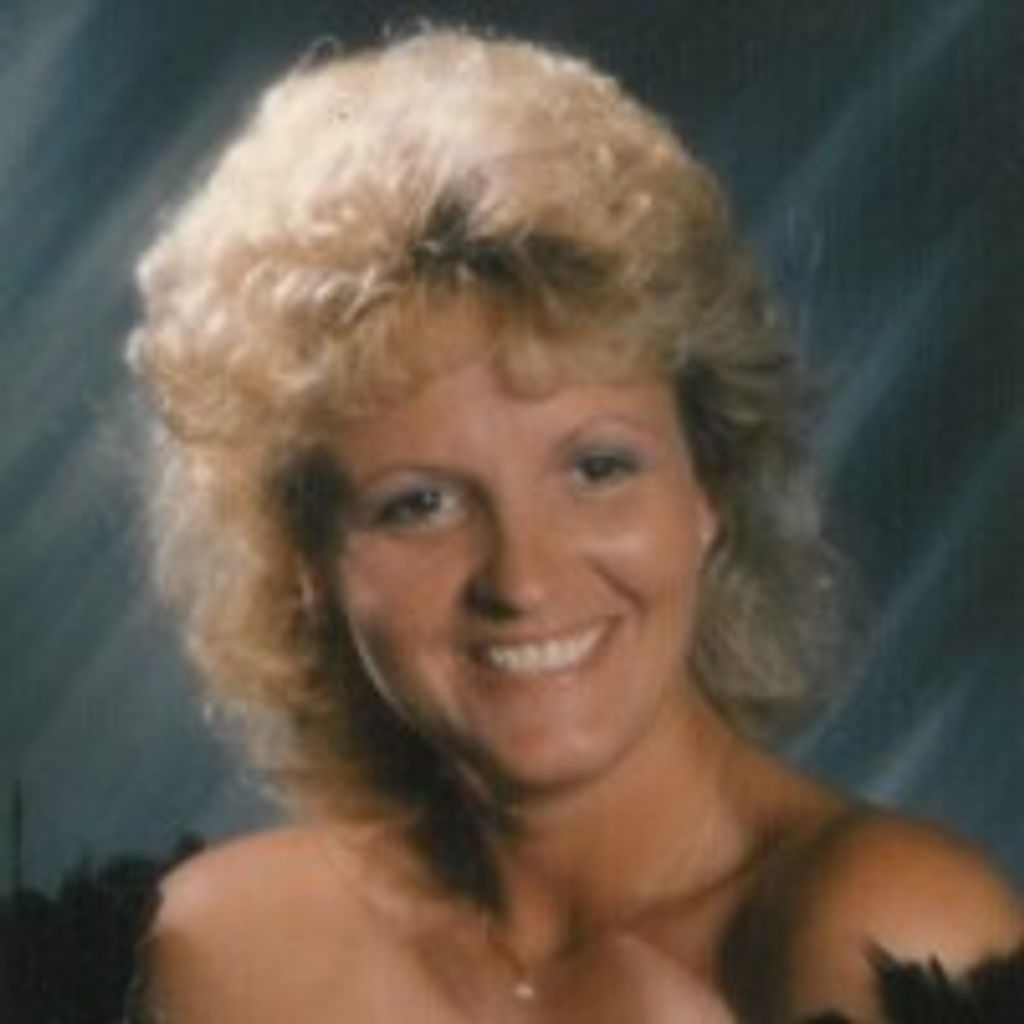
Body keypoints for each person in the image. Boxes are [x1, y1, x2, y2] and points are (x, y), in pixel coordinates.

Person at [128, 28, 1021, 1023]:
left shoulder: (891, 922)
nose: (524, 579)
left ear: (708, 487)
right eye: (420, 504)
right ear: (304, 559)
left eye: (597, 469)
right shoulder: (215, 947)